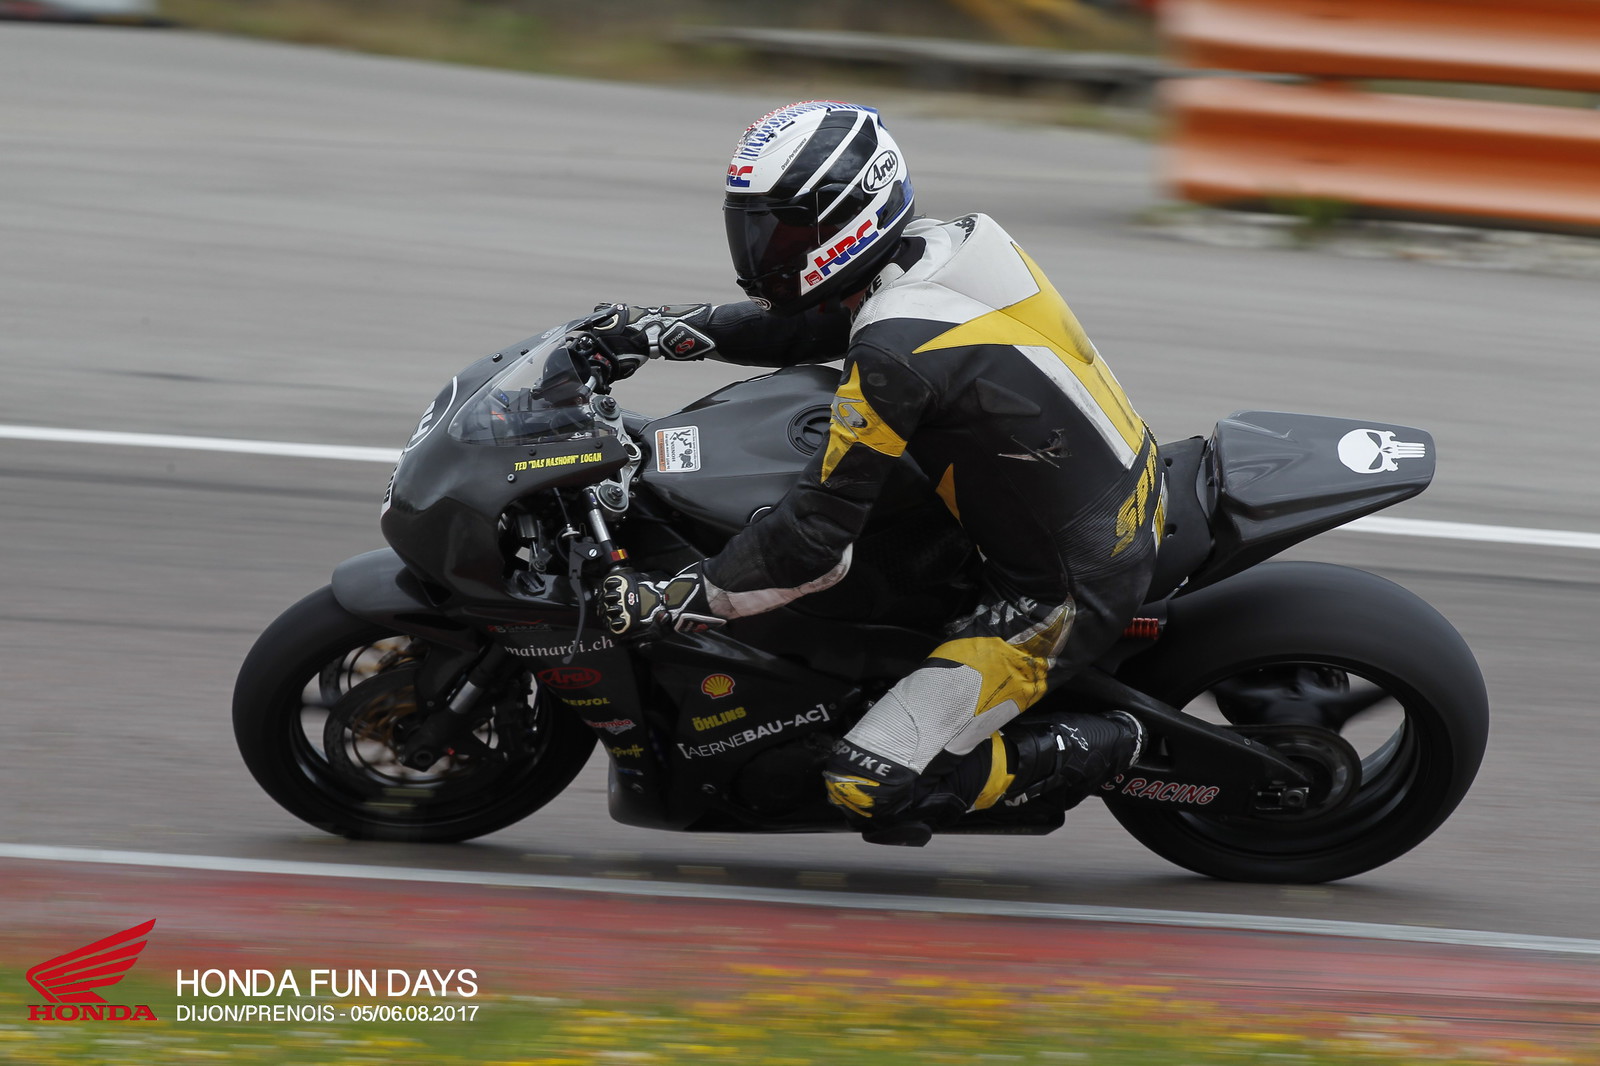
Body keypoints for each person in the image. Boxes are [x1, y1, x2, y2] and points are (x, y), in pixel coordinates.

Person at [595, 100, 1161, 846]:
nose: (764, 248)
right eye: (753, 226)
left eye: (784, 229)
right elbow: (816, 321)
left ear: (848, 214)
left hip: (1060, 587)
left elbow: (813, 545)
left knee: (867, 782)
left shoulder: (894, 354)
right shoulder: (941, 250)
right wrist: (657, 331)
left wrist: (673, 599)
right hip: (1090, 484)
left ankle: (1105, 743)